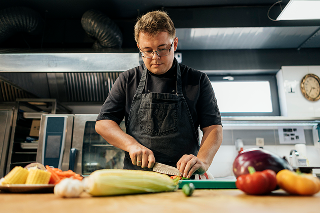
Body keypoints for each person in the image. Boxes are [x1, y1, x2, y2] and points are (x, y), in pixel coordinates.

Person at [95, 10, 223, 179]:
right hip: (136, 180)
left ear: (174, 44)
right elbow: (103, 123)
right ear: (139, 47)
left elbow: (213, 128)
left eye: (162, 49)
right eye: (147, 51)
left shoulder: (197, 80)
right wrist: (131, 145)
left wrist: (203, 160)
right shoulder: (128, 79)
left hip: (182, 179)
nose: (155, 57)